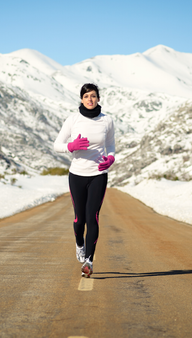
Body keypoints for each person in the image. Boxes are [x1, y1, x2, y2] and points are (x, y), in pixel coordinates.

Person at [54, 83, 116, 278]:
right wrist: (71, 146)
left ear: (98, 98)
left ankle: (89, 260)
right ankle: (79, 243)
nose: (90, 99)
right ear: (81, 99)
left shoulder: (107, 121)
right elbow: (57, 145)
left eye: (93, 96)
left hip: (98, 174)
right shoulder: (73, 120)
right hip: (77, 175)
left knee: (93, 217)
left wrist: (111, 158)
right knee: (79, 219)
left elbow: (111, 145)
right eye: (86, 96)